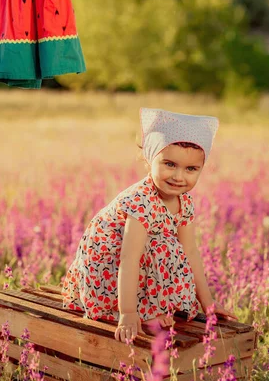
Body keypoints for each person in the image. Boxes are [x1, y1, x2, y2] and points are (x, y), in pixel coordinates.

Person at [62, 107, 238, 343]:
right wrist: (128, 313)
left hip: (135, 259)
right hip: (107, 263)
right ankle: (138, 311)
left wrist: (208, 305)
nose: (178, 176)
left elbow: (191, 252)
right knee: (160, 244)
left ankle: (151, 307)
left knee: (171, 247)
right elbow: (129, 259)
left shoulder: (183, 201)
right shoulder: (141, 201)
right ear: (149, 159)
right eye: (169, 164)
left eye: (191, 169)